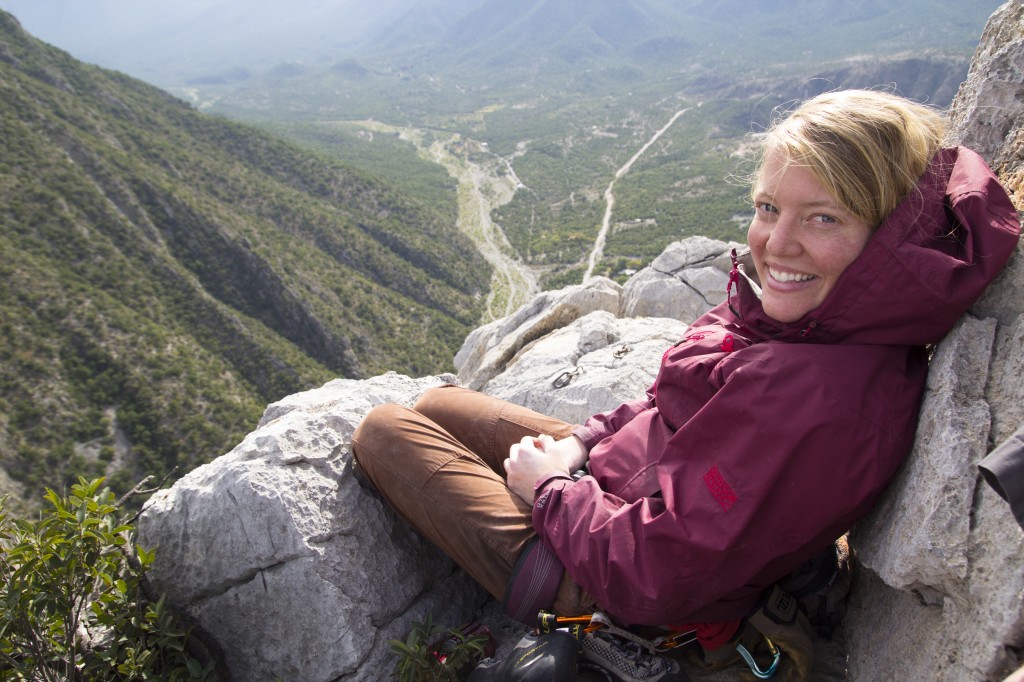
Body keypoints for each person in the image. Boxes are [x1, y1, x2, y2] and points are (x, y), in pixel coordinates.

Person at [352, 90, 1020, 680]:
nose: (776, 243)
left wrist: (552, 490)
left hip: (603, 586)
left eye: (823, 218)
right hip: (626, 491)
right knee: (437, 404)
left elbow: (653, 578)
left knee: (384, 431)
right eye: (768, 208)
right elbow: (664, 403)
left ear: (885, 241)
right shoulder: (813, 323)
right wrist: (580, 445)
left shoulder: (821, 399)